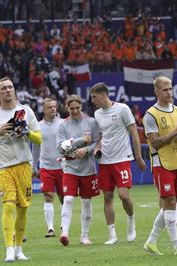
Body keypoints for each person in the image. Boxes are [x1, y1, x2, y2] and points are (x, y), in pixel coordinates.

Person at [0, 77, 42, 262]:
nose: (8, 90)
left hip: (24, 165)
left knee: (23, 209)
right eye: (3, 88)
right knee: (8, 205)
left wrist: (27, 132)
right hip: (4, 167)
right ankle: (8, 249)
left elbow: (39, 139)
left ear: (14, 90)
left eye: (10, 87)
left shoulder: (26, 111)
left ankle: (19, 249)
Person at [90, 82, 147, 244]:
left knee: (123, 195)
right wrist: (97, 149)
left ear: (103, 95)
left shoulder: (122, 109)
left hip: (122, 159)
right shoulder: (97, 114)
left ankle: (131, 221)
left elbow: (134, 133)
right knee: (107, 197)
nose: (93, 101)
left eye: (94, 97)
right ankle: (112, 235)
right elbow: (102, 136)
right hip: (105, 161)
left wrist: (138, 156)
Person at [142, 76, 177, 255]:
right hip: (161, 162)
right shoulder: (150, 115)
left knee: (172, 202)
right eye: (165, 90)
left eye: (170, 88)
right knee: (169, 201)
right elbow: (155, 143)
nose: (169, 92)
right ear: (156, 92)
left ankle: (151, 242)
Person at [57, 95, 100, 246]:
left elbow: (97, 142)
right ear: (67, 108)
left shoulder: (92, 122)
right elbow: (60, 148)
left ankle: (84, 236)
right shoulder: (63, 126)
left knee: (86, 202)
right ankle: (65, 233)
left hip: (88, 169)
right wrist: (81, 141)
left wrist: (86, 150)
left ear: (81, 107)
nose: (75, 111)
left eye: (77, 108)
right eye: (71, 108)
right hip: (70, 168)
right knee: (68, 199)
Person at [32, 98, 64, 238]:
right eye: (49, 107)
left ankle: (64, 225)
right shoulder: (38, 127)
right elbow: (36, 147)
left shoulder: (63, 124)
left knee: (64, 197)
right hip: (46, 167)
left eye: (54, 106)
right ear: (44, 110)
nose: (53, 109)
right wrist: (34, 166)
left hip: (62, 166)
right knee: (48, 196)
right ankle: (50, 228)